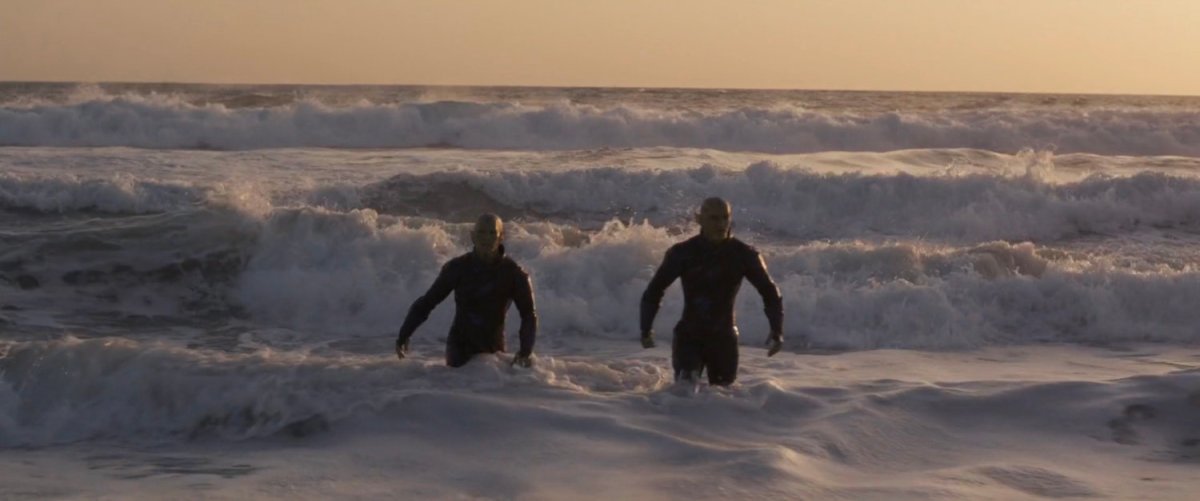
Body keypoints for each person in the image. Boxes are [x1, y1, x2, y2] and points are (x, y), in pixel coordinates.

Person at [640, 197, 785, 386]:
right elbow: (655, 290)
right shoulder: (682, 253)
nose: (721, 224)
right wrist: (646, 329)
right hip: (689, 338)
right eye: (714, 218)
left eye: (725, 218)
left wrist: (777, 330)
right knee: (684, 397)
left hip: (724, 339)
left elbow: (769, 292)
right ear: (699, 219)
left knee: (722, 402)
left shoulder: (744, 255)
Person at [395, 214, 537, 368]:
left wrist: (525, 351)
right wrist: (404, 334)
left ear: (501, 236)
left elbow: (529, 315)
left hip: (493, 352)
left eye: (492, 233)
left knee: (491, 390)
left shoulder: (514, 274)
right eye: (481, 232)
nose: (486, 238)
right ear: (472, 236)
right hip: (459, 350)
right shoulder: (457, 268)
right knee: (459, 390)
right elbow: (427, 302)